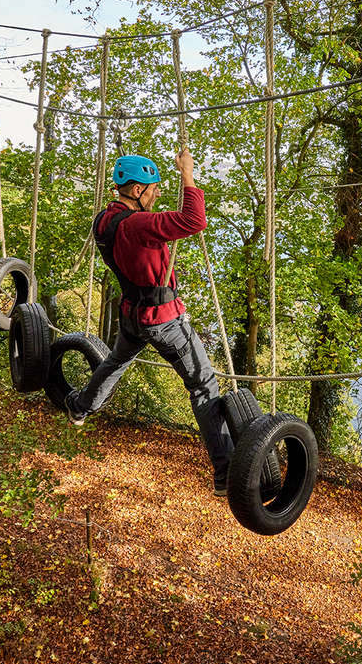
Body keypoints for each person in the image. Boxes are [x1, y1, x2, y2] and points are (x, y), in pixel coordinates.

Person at [66, 149, 235, 495]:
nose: (158, 194)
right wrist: (187, 173)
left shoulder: (104, 220)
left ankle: (80, 407)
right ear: (138, 190)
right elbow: (194, 220)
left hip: (130, 312)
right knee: (204, 385)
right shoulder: (140, 225)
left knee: (116, 361)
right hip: (163, 319)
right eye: (154, 188)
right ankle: (225, 472)